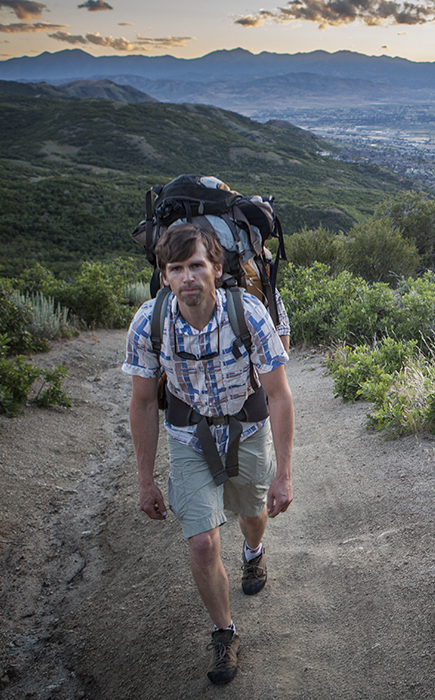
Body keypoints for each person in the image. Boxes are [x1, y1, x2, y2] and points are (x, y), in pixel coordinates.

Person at [123, 222, 294, 685]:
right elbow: (141, 402)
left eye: (196, 265)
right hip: (189, 437)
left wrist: (285, 475)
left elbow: (279, 394)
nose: (187, 277)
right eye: (176, 268)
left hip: (247, 425)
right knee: (201, 541)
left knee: (253, 511)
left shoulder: (249, 314)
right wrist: (145, 481)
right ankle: (225, 632)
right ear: (164, 276)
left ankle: (253, 550)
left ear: (217, 268)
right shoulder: (150, 322)